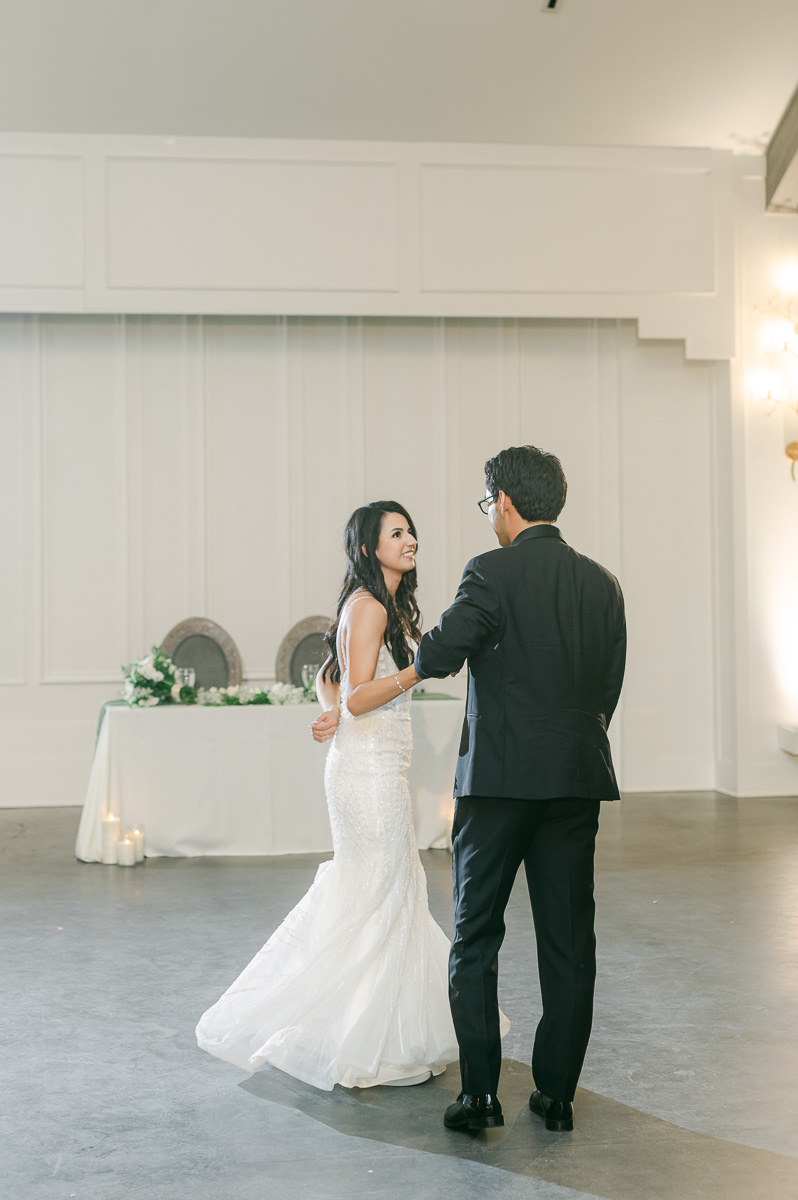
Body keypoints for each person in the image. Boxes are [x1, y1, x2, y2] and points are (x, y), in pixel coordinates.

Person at [196, 501, 469, 1089]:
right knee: (379, 893)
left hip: (373, 767)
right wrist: (417, 670)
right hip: (368, 777)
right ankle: (360, 1039)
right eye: (396, 533)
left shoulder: (378, 606)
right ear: (370, 548)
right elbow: (359, 695)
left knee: (382, 894)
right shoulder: (370, 606)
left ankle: (373, 1028)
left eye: (411, 530)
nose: (410, 539)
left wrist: (330, 715)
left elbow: (330, 681)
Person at [414, 445, 626, 1134]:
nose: (489, 517)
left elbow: (438, 656)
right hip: (574, 782)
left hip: (499, 785)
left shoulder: (490, 572)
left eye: (487, 504)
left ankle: (479, 1098)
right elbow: (607, 688)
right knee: (569, 941)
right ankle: (556, 1094)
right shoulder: (603, 584)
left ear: (504, 501)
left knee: (475, 936)